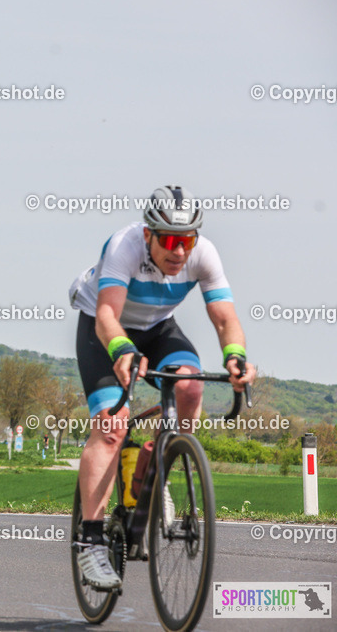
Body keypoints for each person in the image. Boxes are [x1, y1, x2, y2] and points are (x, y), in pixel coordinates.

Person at [68, 185, 256, 590]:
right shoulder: (124, 246)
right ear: (148, 235)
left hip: (157, 327)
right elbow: (106, 314)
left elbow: (225, 319)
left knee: (189, 388)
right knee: (112, 426)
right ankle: (92, 541)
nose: (179, 252)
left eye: (187, 241)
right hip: (104, 330)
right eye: (169, 241)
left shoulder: (203, 254)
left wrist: (236, 356)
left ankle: (160, 474)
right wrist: (122, 351)